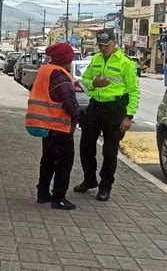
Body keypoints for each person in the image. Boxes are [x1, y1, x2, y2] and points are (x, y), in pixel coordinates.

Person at [74, 29, 140, 201]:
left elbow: (134, 92)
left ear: (114, 43)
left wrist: (129, 116)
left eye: (106, 45)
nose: (103, 49)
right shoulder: (95, 59)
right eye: (100, 45)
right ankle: (89, 180)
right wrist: (94, 84)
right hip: (96, 107)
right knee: (86, 146)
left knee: (110, 151)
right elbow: (85, 81)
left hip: (115, 109)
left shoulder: (125, 63)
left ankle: (105, 186)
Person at [25, 43, 80, 210]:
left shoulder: (45, 71)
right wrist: (78, 118)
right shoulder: (61, 77)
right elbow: (70, 104)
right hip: (59, 127)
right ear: (66, 60)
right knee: (64, 162)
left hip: (45, 126)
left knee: (47, 160)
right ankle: (59, 198)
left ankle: (43, 194)